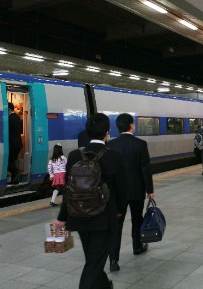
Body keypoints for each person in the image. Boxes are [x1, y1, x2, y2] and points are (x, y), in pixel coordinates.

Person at [54, 113, 127, 289]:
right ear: (107, 132)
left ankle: (105, 286)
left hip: (78, 216)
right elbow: (122, 189)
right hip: (104, 218)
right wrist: (119, 211)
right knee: (94, 263)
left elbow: (68, 190)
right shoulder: (114, 156)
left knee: (93, 259)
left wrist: (62, 217)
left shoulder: (74, 156)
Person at [107, 113, 154, 272]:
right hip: (136, 190)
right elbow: (145, 169)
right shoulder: (140, 144)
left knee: (116, 226)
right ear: (132, 125)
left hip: (117, 193)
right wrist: (150, 190)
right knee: (137, 219)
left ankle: (113, 260)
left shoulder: (111, 145)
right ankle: (137, 247)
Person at [8, 102, 23, 184]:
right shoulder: (17, 117)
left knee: (7, 161)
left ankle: (16, 173)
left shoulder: (10, 118)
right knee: (12, 160)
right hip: (18, 143)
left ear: (8, 109)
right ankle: (14, 179)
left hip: (12, 144)